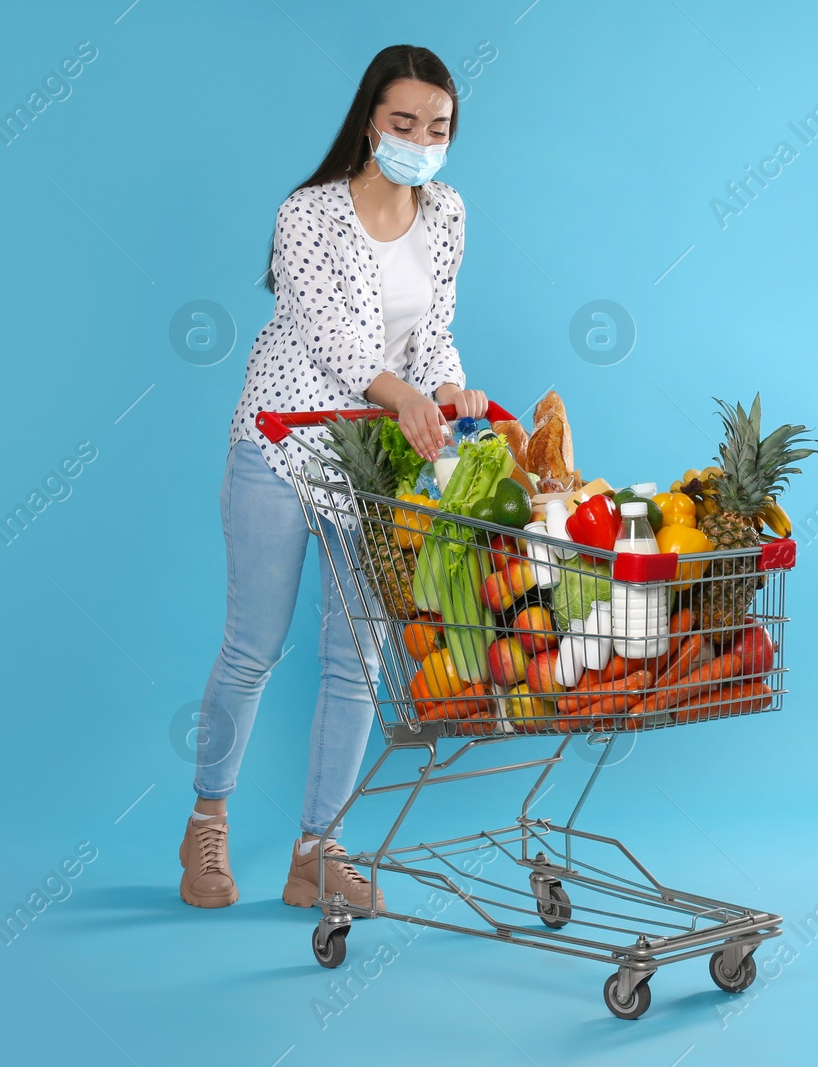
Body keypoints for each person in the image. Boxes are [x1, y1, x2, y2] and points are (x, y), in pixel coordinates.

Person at [179, 44, 488, 910]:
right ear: (368, 121)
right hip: (282, 443)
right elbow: (331, 340)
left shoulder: (449, 213)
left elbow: (432, 331)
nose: (421, 143)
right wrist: (405, 399)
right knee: (253, 649)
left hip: (371, 464)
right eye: (403, 124)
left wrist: (448, 386)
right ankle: (207, 824)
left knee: (359, 657)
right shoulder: (307, 213)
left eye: (438, 128)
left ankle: (319, 849)